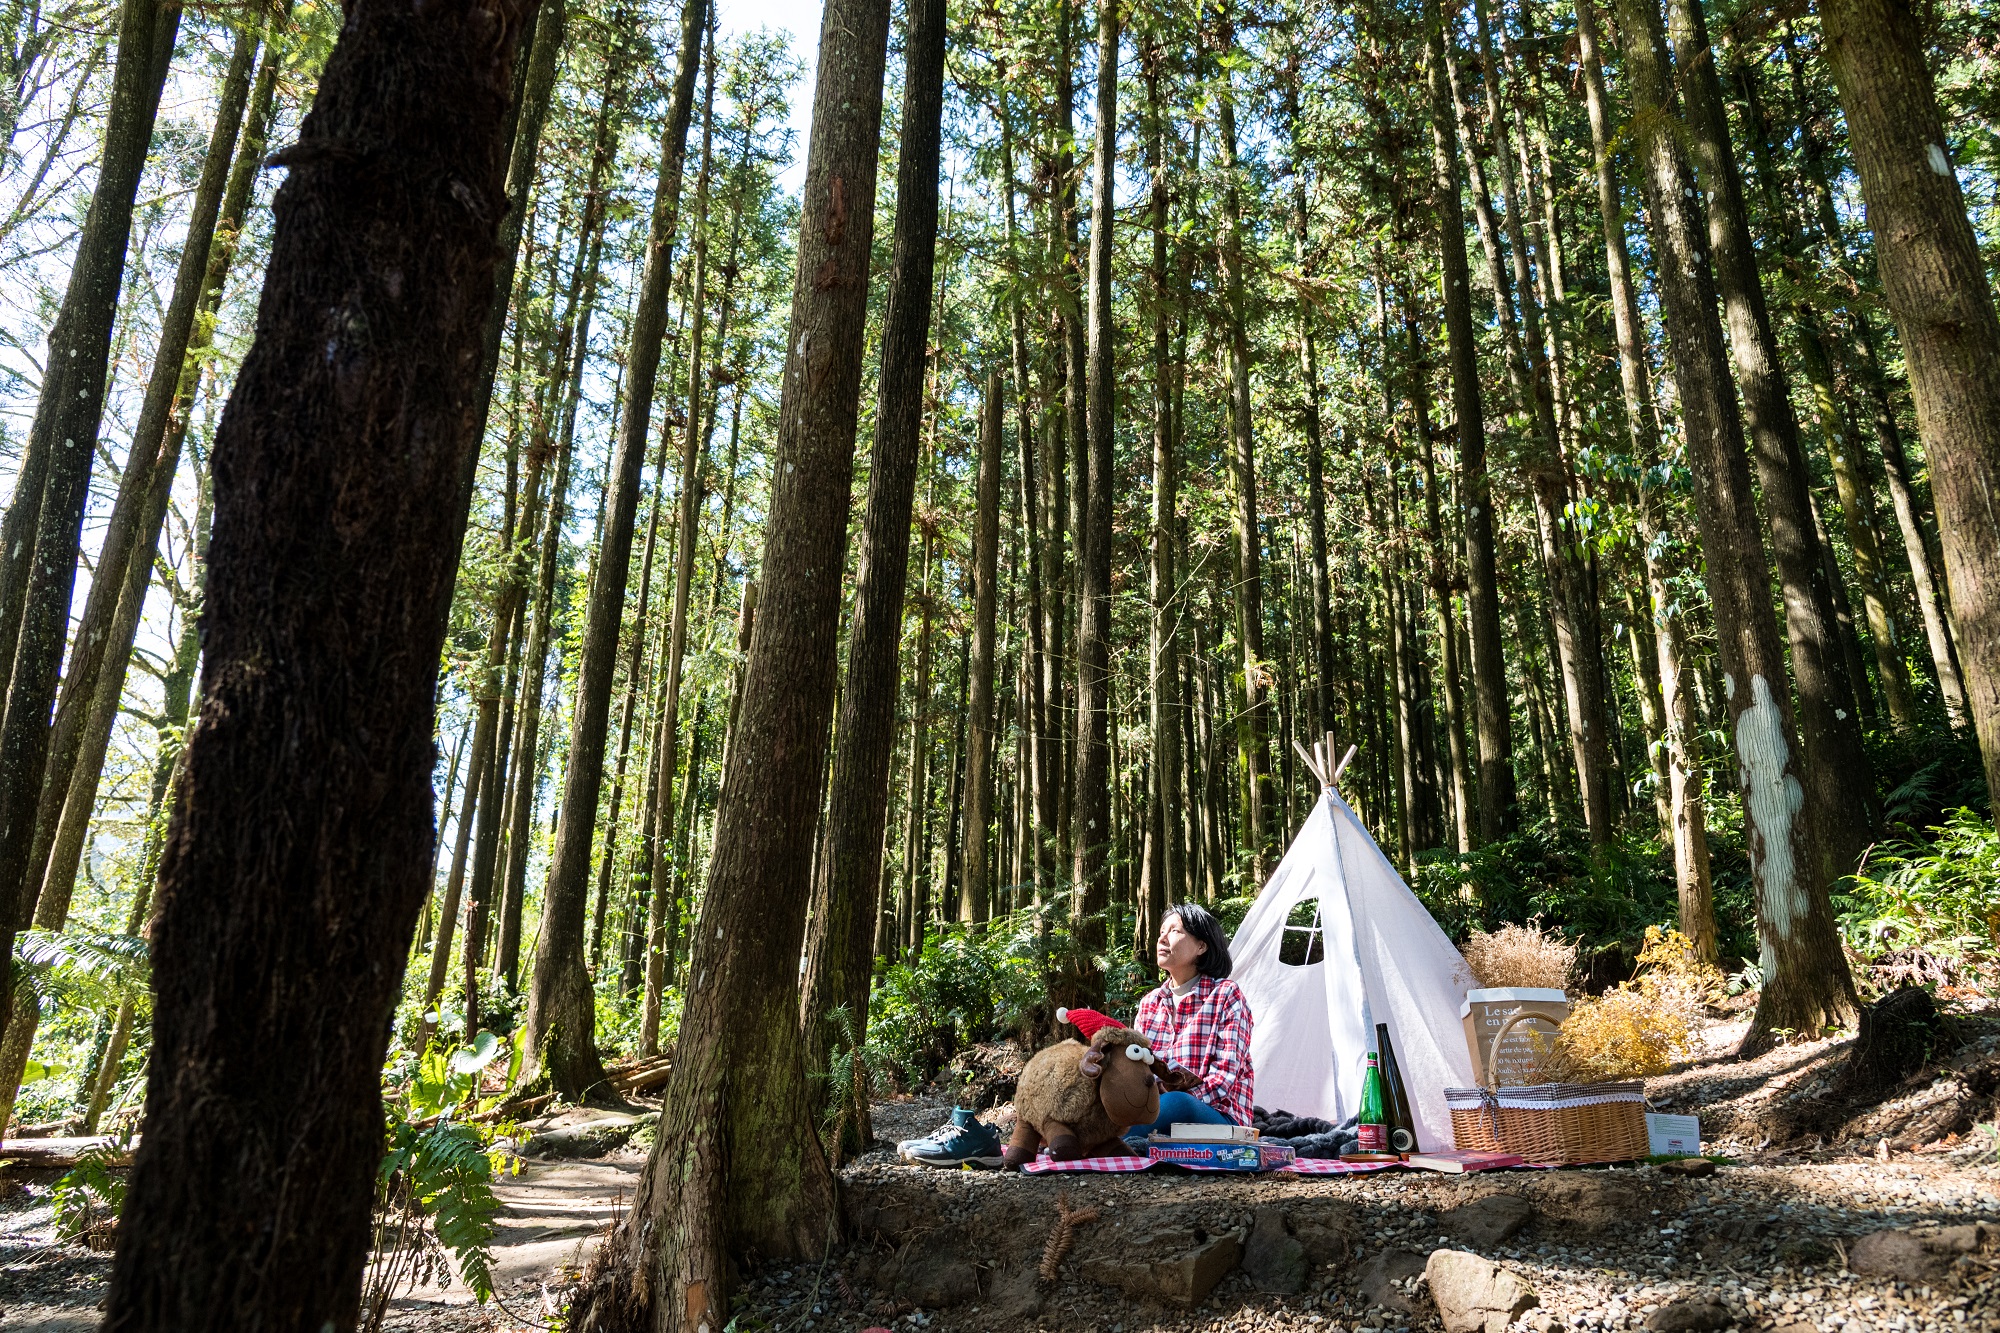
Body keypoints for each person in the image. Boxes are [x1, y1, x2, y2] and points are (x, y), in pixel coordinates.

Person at [1123, 902, 1254, 1148]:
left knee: (1180, 1104)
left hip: (1220, 1119)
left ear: (1201, 946)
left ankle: (1100, 1140)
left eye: (1174, 931)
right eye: (1161, 931)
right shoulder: (1150, 1003)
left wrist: (1166, 1100)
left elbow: (1224, 1077)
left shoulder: (1225, 995)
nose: (1162, 938)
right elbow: (1138, 1071)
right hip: (1157, 1114)